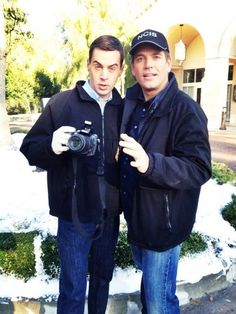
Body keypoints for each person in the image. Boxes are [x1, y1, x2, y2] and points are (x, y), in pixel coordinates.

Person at [20, 35, 124, 314]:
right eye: (98, 66)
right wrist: (52, 146)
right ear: (88, 65)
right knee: (73, 289)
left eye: (111, 68)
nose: (103, 76)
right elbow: (29, 148)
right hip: (74, 217)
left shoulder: (124, 109)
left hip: (110, 216)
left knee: (102, 281)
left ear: (121, 70)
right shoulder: (62, 103)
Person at [119, 29, 211, 314]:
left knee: (159, 303)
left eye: (156, 57)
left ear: (168, 62)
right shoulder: (130, 105)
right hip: (137, 223)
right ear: (133, 67)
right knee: (151, 296)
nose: (149, 65)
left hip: (164, 228)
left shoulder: (186, 110)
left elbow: (199, 168)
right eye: (141, 58)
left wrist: (151, 164)